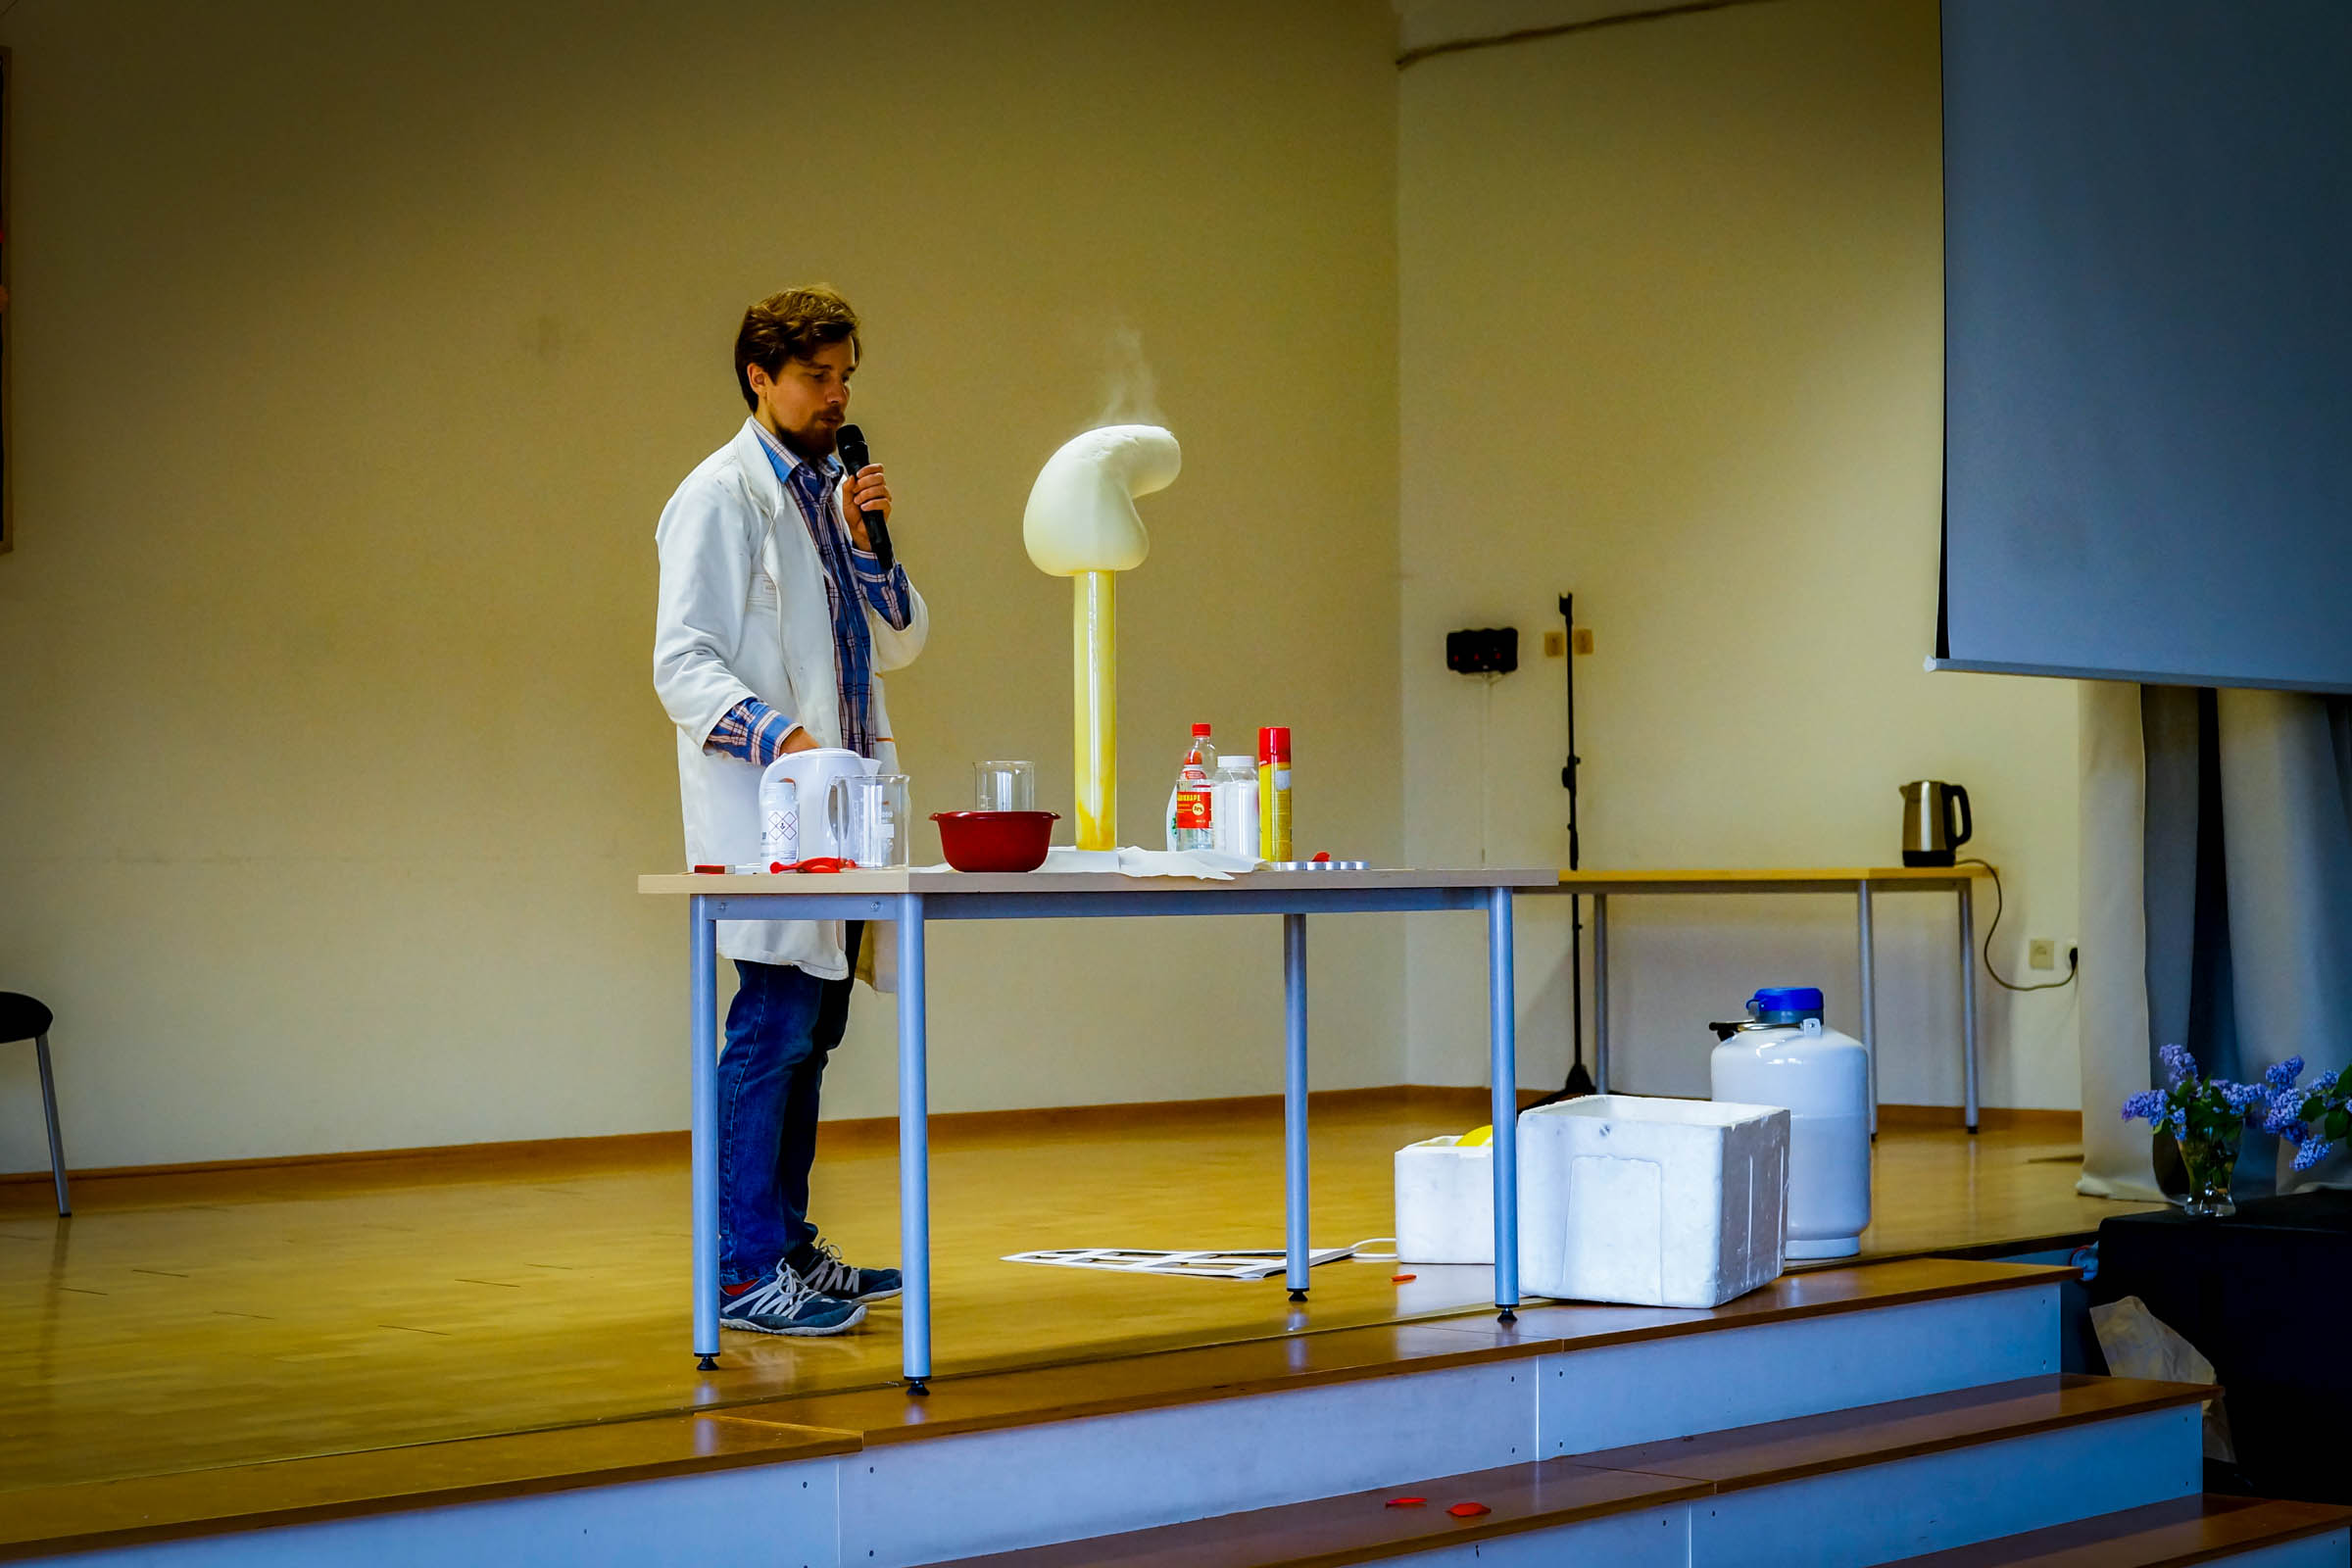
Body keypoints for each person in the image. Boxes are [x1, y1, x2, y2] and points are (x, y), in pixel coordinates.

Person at [652, 285, 927, 1336]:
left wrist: (869, 542)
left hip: (845, 820)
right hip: (777, 815)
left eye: (845, 375)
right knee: (769, 1034)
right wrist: (791, 748)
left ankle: (789, 1248)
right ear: (759, 377)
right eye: (817, 376)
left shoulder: (829, 496)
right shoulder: (719, 497)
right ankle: (740, 1271)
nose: (837, 394)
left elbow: (898, 641)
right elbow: (684, 666)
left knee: (814, 1036)